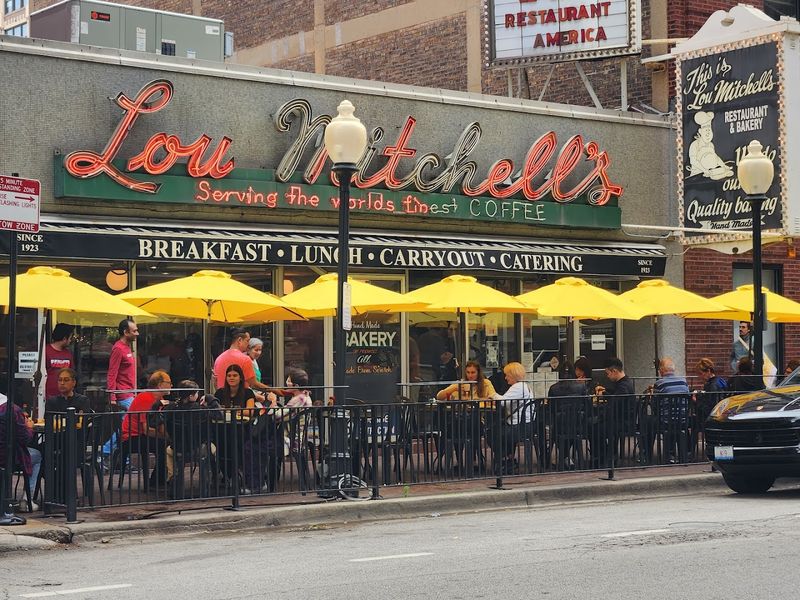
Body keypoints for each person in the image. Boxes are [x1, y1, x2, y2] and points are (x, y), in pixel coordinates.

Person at [436, 361, 496, 474]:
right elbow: (439, 396)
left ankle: (472, 462)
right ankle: (458, 462)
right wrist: (453, 389)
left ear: (478, 372)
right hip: (460, 419)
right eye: (468, 372)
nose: (470, 375)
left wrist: (477, 403)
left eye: (473, 372)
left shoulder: (486, 383)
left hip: (478, 420)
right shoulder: (461, 383)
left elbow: (492, 399)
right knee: (451, 428)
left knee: (470, 427)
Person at [162, 380, 221, 493]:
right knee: (213, 449)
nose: (198, 396)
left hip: (178, 448)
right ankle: (207, 483)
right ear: (191, 396)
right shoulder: (202, 410)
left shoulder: (171, 408)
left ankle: (174, 480)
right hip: (201, 448)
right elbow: (219, 415)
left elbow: (156, 420)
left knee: (168, 452)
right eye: (197, 393)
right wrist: (210, 399)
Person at [119, 370, 172, 488]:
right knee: (164, 445)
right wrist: (166, 436)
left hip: (141, 435)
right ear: (159, 384)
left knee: (168, 444)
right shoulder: (146, 399)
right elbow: (146, 429)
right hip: (131, 437)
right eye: (169, 382)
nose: (171, 385)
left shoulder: (159, 399)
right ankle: (156, 481)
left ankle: (162, 479)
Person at [102, 319, 139, 458]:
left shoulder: (127, 347)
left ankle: (124, 459)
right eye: (134, 331)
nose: (137, 333)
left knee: (127, 428)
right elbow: (112, 373)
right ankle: (105, 452)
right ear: (125, 332)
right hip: (123, 394)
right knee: (128, 427)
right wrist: (112, 396)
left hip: (129, 393)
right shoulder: (118, 348)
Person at [490, 362, 533, 475]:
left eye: (507, 375)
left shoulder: (517, 387)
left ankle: (504, 460)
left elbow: (503, 401)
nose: (505, 377)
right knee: (499, 430)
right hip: (526, 425)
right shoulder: (524, 385)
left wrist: (492, 393)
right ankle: (508, 458)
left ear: (513, 375)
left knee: (492, 433)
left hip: (519, 427)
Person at [0, 398, 41, 511]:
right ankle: (27, 500)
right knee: (37, 455)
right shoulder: (12, 410)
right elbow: (24, 439)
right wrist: (29, 427)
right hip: (8, 457)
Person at [548, 361, 590, 470]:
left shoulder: (554, 388)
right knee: (572, 432)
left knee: (558, 432)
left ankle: (564, 456)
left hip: (559, 425)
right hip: (578, 425)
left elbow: (551, 408)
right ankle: (567, 458)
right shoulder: (581, 387)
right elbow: (587, 405)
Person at [651, 357, 690, 464]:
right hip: (683, 421)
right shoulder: (683, 382)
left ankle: (646, 454)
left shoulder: (660, 383)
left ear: (662, 370)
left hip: (666, 422)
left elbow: (655, 404)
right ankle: (683, 455)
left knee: (647, 423)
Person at [213, 328, 272, 396]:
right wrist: (275, 390)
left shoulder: (219, 359)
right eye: (247, 341)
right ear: (240, 340)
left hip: (222, 400)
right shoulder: (245, 359)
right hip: (241, 401)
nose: (248, 344)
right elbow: (254, 384)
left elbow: (216, 383)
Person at [44, 323, 74, 401]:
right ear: (64, 338)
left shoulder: (68, 353)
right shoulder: (45, 351)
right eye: (70, 338)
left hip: (66, 396)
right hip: (48, 396)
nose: (70, 341)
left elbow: (72, 373)